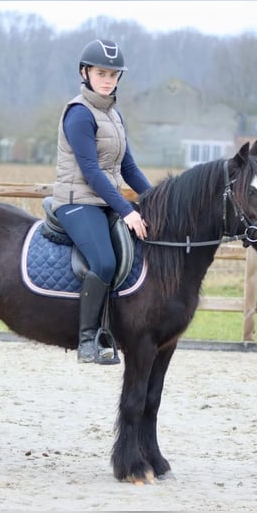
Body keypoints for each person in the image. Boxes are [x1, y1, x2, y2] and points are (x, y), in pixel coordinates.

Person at [52, 39, 151, 365]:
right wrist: (126, 210)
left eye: (113, 74)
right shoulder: (79, 114)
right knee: (105, 263)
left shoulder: (114, 115)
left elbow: (128, 168)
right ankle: (87, 340)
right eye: (101, 73)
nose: (107, 79)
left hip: (104, 200)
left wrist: (156, 201)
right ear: (85, 73)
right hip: (76, 200)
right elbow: (92, 172)